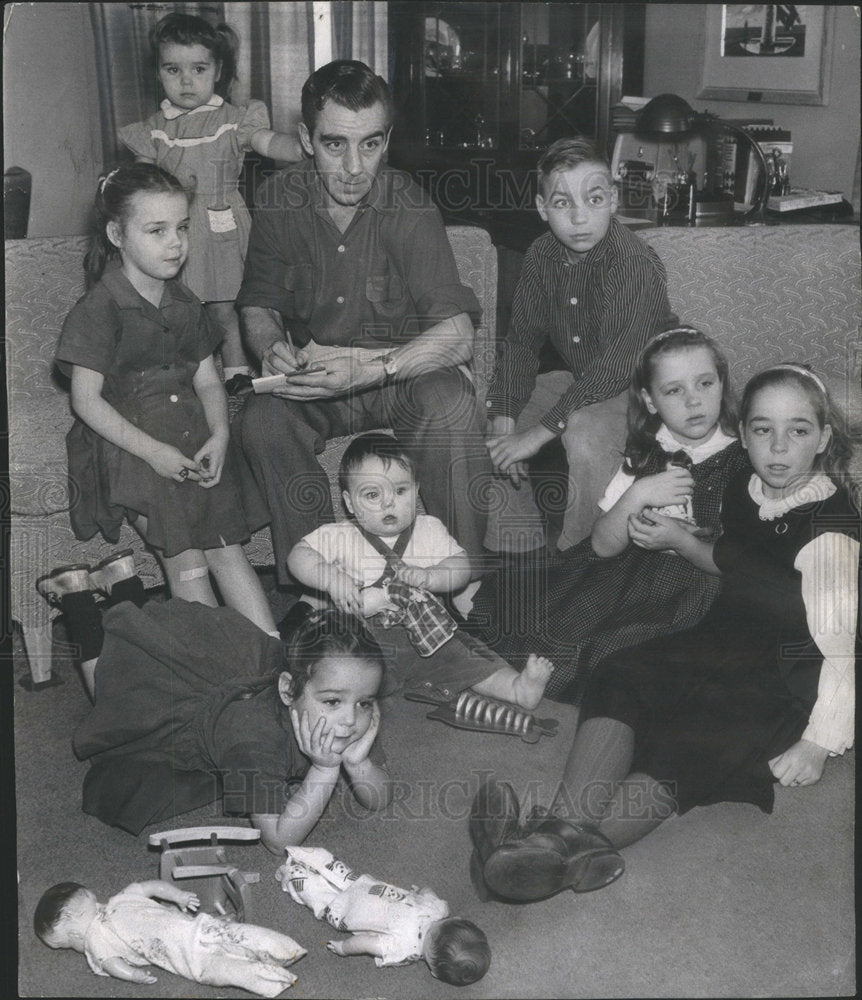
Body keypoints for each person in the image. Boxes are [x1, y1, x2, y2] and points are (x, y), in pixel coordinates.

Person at [469, 364, 858, 902]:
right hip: (716, 636)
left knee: (690, 739)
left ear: (823, 439)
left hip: (781, 673)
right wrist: (675, 536)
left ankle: (544, 853)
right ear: (743, 435)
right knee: (622, 670)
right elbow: (735, 562)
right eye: (763, 429)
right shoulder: (746, 488)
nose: (778, 446)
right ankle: (557, 834)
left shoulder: (830, 533)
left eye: (798, 430)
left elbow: (841, 646)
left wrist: (819, 742)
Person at [233, 59, 493, 582]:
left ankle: (462, 581)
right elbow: (257, 304)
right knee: (262, 422)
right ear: (306, 139)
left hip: (399, 376)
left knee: (453, 405)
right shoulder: (277, 200)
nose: (354, 166)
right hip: (318, 380)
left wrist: (374, 368)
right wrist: (268, 347)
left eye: (370, 144)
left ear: (387, 139)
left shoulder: (410, 207)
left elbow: (459, 335)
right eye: (335, 144)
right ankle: (325, 587)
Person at [468, 327, 749, 703]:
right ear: (650, 401)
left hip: (694, 587)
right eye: (674, 390)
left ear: (722, 384)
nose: (693, 401)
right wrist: (638, 494)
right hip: (623, 574)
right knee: (557, 631)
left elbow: (739, 560)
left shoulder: (742, 460)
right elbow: (601, 545)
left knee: (623, 652)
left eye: (704, 384)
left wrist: (682, 540)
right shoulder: (645, 453)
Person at [38, 558, 391, 850]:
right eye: (332, 702)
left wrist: (359, 765)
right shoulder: (253, 741)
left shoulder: (341, 715)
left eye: (364, 703)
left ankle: (122, 583)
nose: (349, 720)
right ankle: (76, 596)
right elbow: (278, 840)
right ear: (288, 691)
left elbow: (379, 799)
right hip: (189, 712)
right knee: (114, 684)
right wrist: (325, 770)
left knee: (156, 643)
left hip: (231, 673)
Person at [54, 163, 274, 630]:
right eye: (157, 230)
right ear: (117, 234)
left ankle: (271, 658)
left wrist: (219, 434)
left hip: (190, 432)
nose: (176, 243)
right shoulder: (99, 309)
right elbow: (86, 402)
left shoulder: (185, 301)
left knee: (226, 547)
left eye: (182, 228)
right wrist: (154, 453)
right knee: (186, 554)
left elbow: (208, 380)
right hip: (129, 444)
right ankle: (218, 673)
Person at [484, 136, 677, 554]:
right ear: (541, 209)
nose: (578, 217)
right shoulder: (540, 255)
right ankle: (516, 548)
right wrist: (504, 414)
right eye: (561, 203)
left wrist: (539, 432)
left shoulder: (632, 263)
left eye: (592, 199)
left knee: (584, 431)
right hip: (583, 378)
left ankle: (581, 559)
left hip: (646, 390)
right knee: (496, 423)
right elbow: (521, 344)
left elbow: (614, 369)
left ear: (612, 199)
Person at [287, 432, 553, 709]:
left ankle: (517, 688)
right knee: (330, 662)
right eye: (372, 494)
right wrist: (331, 578)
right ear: (350, 502)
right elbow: (297, 557)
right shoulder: (340, 535)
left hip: (429, 636)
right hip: (363, 644)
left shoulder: (428, 529)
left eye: (400, 491)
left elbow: (461, 565)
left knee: (467, 656)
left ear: (415, 491)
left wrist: (432, 576)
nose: (388, 502)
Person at [119, 12, 301, 388]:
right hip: (174, 227)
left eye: (199, 68)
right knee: (177, 305)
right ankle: (185, 375)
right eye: (173, 69)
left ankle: (236, 373)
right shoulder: (155, 129)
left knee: (226, 305)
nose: (186, 81)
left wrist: (304, 148)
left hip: (222, 224)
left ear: (218, 70)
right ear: (157, 73)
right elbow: (140, 183)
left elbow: (267, 142)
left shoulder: (234, 119)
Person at [34, 879, 305, 996]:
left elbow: (110, 964)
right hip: (194, 926)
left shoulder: (94, 938)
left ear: (73, 927)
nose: (76, 949)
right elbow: (151, 886)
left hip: (185, 956)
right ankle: (284, 949)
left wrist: (132, 975)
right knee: (236, 935)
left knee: (225, 969)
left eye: (68, 944)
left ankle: (273, 980)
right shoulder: (121, 898)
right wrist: (176, 895)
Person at [276, 846, 490, 986]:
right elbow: (365, 943)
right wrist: (344, 949)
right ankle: (294, 874)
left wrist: (416, 893)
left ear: (455, 920)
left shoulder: (438, 909)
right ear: (434, 970)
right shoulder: (401, 948)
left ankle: (307, 855)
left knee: (336, 870)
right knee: (318, 896)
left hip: (366, 886)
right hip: (346, 912)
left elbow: (426, 891)